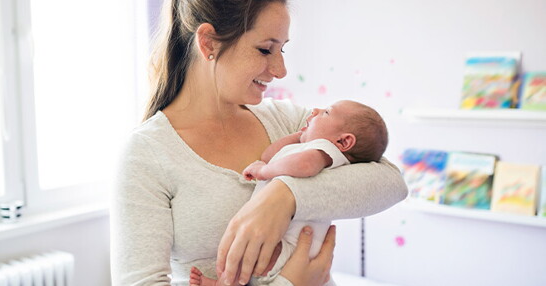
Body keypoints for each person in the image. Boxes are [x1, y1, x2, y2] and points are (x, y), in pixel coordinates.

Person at [110, 0, 408, 285]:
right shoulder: (147, 154)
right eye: (266, 49)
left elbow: (392, 182)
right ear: (209, 43)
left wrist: (283, 197)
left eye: (282, 50)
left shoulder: (290, 123)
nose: (281, 70)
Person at [188, 100, 388, 286]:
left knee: (254, 252)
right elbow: (269, 156)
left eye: (327, 112)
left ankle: (224, 282)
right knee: (249, 251)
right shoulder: (308, 147)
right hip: (294, 242)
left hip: (296, 245)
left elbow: (306, 165)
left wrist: (264, 171)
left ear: (344, 142)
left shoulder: (326, 151)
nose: (315, 111)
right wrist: (297, 138)